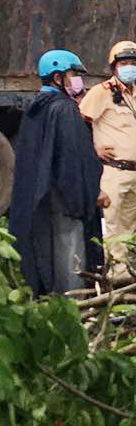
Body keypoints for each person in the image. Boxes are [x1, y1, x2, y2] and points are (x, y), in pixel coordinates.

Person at [8, 50, 106, 294]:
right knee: (70, 250)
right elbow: (75, 158)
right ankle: (73, 302)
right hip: (66, 196)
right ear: (57, 78)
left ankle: (50, 297)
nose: (77, 80)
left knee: (47, 249)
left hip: (43, 193)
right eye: (73, 74)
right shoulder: (64, 109)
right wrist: (88, 194)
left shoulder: (35, 108)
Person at [80, 41, 136, 274]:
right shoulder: (102, 92)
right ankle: (110, 273)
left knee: (128, 226)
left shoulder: (135, 93)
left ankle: (122, 270)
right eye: (124, 63)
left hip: (134, 172)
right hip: (112, 172)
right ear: (114, 67)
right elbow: (79, 123)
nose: (129, 67)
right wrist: (93, 148)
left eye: (134, 63)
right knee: (110, 224)